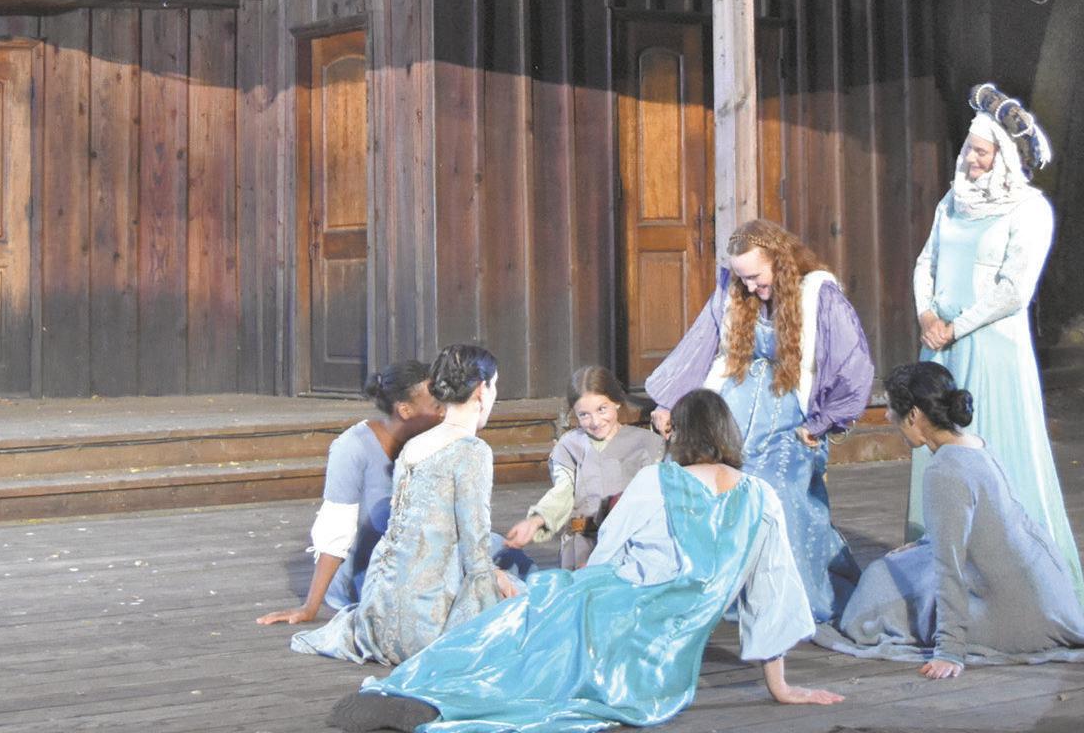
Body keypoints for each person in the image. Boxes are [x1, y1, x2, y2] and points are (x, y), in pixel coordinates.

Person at [327, 389, 842, 733]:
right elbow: (773, 588)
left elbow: (609, 553)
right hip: (667, 650)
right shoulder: (760, 496)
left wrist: (571, 590)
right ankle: (434, 696)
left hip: (625, 609)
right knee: (549, 609)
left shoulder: (659, 480)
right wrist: (781, 687)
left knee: (542, 607)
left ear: (680, 434)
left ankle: (431, 690)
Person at [819, 362, 1084, 672]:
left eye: (893, 409)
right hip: (1048, 596)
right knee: (905, 563)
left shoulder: (944, 470)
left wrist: (950, 650)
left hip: (1016, 615)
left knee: (877, 592)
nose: (888, 415)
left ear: (914, 415)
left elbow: (949, 566)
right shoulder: (975, 445)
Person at [909, 83, 1084, 610]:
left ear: (1004, 156)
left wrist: (957, 325)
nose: (971, 160)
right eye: (969, 149)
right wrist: (927, 314)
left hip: (989, 347)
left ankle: (1020, 588)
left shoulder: (1028, 210)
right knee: (941, 450)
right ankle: (945, 584)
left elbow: (1013, 290)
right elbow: (926, 261)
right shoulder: (953, 201)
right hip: (940, 346)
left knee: (993, 451)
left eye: (982, 152)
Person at [645, 218, 871, 621]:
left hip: (788, 415)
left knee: (774, 490)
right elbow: (700, 345)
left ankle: (786, 596)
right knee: (691, 477)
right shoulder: (733, 291)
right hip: (729, 409)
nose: (749, 287)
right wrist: (670, 404)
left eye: (755, 277)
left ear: (779, 262)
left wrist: (822, 423)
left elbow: (851, 362)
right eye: (743, 278)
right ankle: (708, 587)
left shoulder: (819, 294)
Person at [291, 344, 520, 665]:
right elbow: (475, 550)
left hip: (382, 607)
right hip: (426, 619)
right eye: (494, 386)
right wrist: (495, 582)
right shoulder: (473, 451)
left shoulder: (416, 444)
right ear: (482, 390)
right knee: (526, 602)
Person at [257, 361, 442, 625]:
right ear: (405, 410)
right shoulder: (352, 447)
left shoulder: (430, 442)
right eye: (437, 406)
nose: (444, 412)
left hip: (415, 560)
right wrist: (310, 608)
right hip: (367, 574)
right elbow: (336, 527)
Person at [501, 365, 665, 570]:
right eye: (584, 415)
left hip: (631, 547)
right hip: (583, 546)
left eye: (602, 409)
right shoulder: (570, 446)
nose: (595, 421)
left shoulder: (647, 444)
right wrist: (536, 521)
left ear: (616, 402)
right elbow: (562, 492)